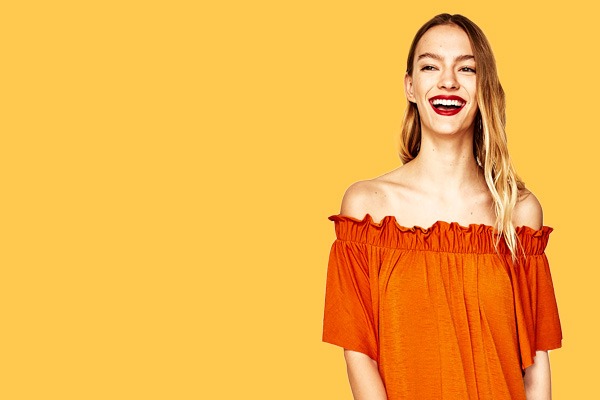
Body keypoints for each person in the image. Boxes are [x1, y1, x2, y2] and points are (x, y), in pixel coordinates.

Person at [322, 13, 562, 400]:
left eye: (466, 68)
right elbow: (359, 353)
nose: (448, 81)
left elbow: (535, 364)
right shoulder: (367, 210)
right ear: (410, 86)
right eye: (430, 66)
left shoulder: (519, 211)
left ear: (484, 86)